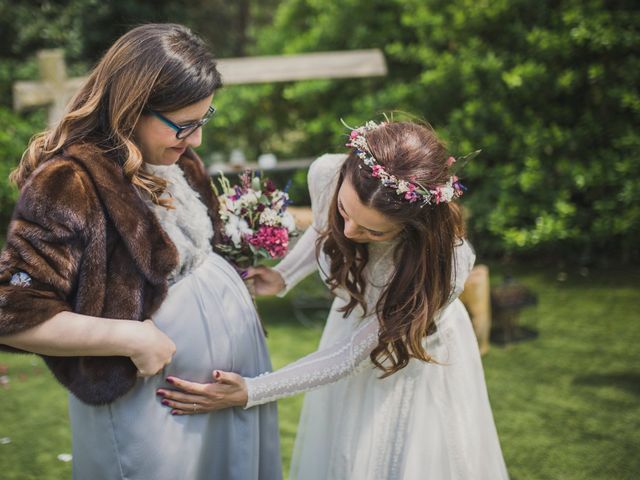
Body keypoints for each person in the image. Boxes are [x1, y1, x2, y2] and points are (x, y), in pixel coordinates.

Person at [0, 23, 281, 480]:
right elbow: (11, 313)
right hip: (148, 407)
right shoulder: (70, 181)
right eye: (185, 125)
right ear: (131, 106)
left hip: (222, 395)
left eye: (203, 121)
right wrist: (132, 339)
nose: (196, 141)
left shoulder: (178, 159)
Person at [160, 119, 509, 479]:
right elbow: (323, 226)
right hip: (352, 325)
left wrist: (251, 390)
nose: (350, 231)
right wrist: (285, 276)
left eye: (375, 231)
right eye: (346, 210)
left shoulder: (442, 265)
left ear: (413, 228)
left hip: (410, 353)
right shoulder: (327, 173)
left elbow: (348, 356)